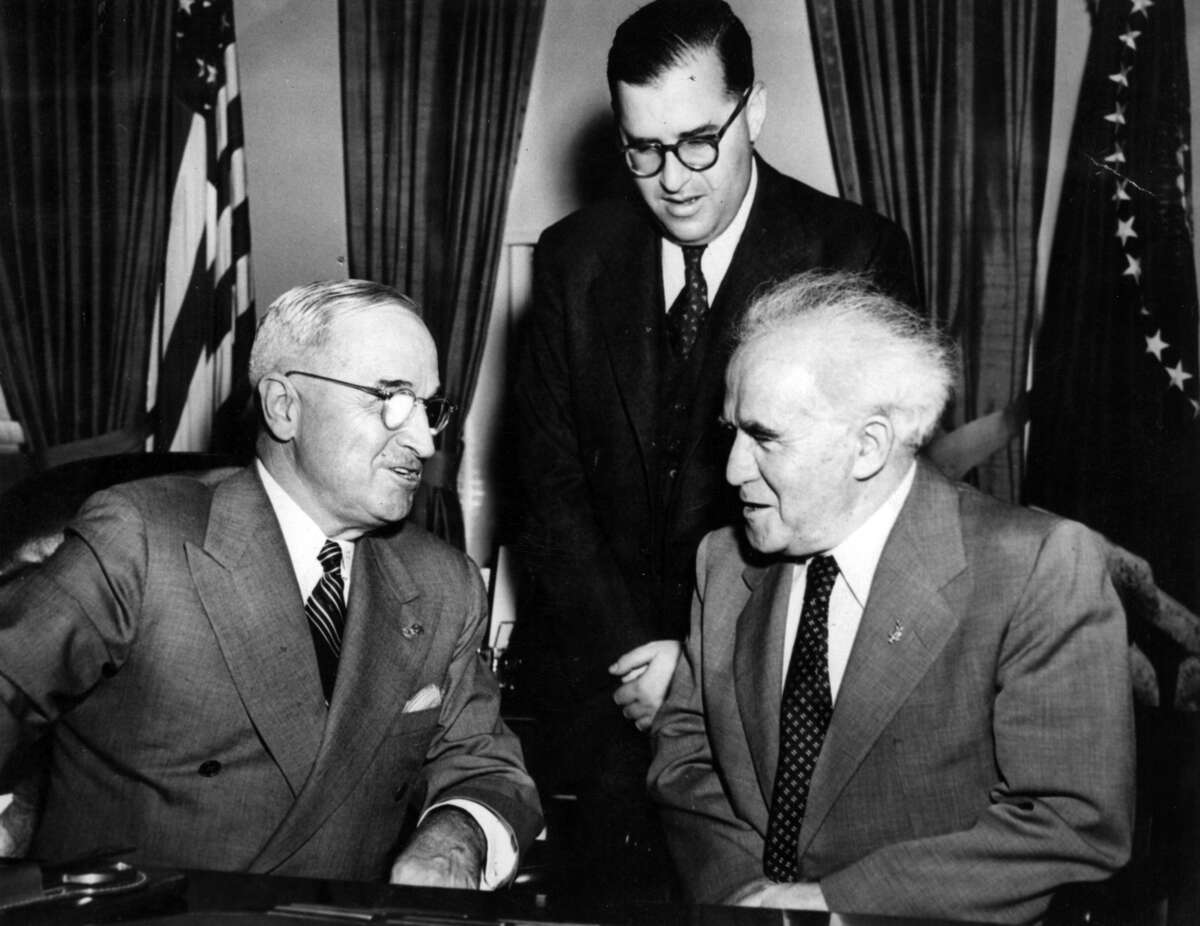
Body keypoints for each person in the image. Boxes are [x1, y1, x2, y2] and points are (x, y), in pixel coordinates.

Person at [510, 0, 917, 895]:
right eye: (641, 148)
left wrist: (696, 670)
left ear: (754, 113)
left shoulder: (853, 256)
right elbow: (548, 490)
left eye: (699, 141)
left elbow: (862, 512)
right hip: (600, 698)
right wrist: (633, 656)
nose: (673, 178)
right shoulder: (572, 258)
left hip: (768, 698)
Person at [0, 280, 542, 887]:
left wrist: (453, 845)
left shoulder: (444, 583)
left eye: (428, 407)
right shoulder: (145, 538)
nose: (424, 440)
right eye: (391, 398)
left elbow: (488, 770)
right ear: (285, 406)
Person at [648, 271, 1135, 922]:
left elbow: (1073, 817)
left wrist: (834, 905)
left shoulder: (1036, 565)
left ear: (868, 445)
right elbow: (686, 753)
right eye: (731, 433)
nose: (733, 469)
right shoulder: (722, 561)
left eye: (764, 438)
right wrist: (751, 902)